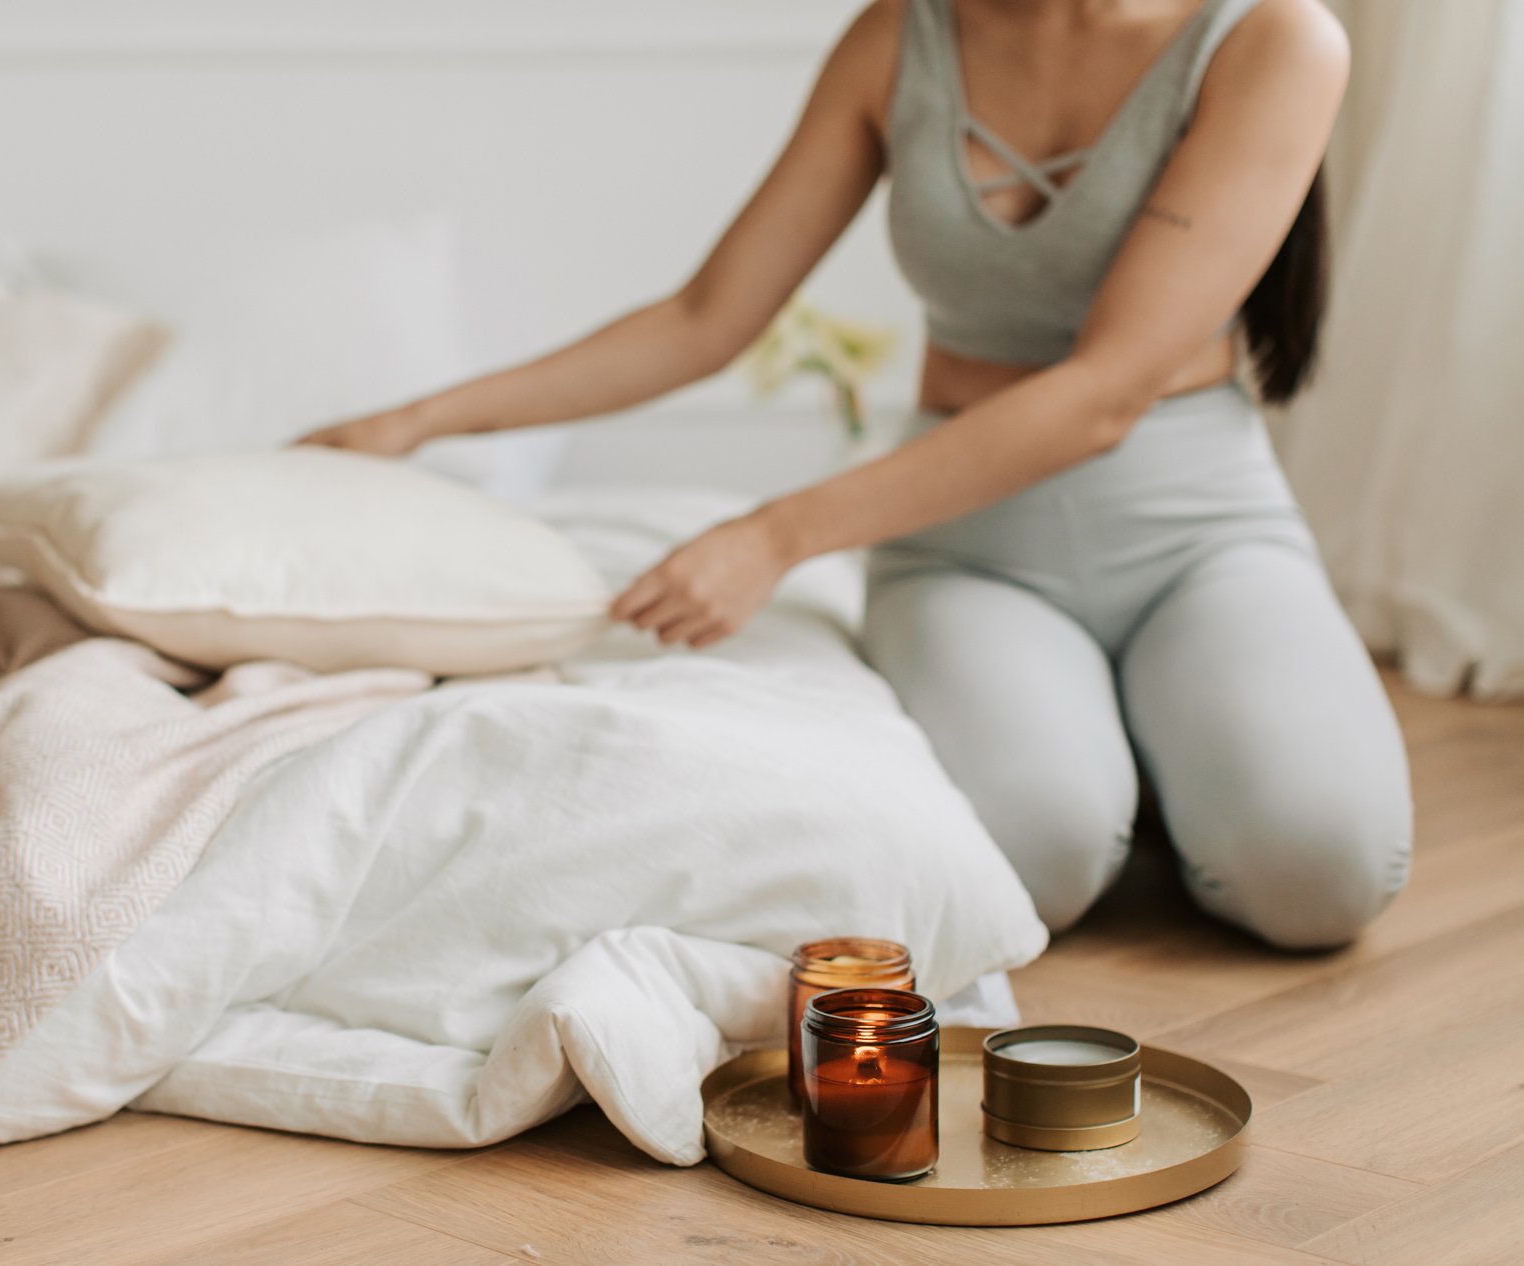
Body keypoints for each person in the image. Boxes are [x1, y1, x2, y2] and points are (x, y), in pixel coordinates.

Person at [297, 0, 1412, 949]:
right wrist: (414, 421)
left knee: (1319, 877)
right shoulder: (900, 36)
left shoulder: (1275, 36)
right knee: (1037, 857)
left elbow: (1105, 393)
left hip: (1199, 535)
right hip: (973, 551)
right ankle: (1154, 764)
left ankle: (1183, 763)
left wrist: (775, 535)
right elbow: (704, 317)